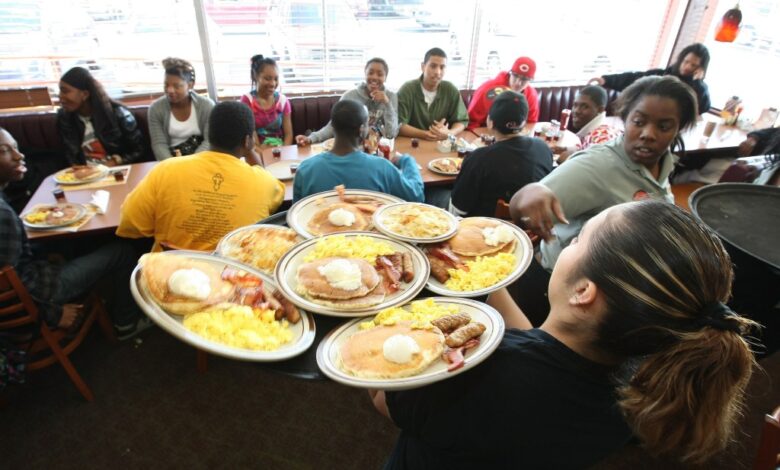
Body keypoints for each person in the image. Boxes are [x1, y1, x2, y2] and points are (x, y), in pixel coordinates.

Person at [372, 200, 757, 468]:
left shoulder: (486, 372)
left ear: (583, 292)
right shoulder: (641, 384)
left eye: (578, 240)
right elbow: (542, 345)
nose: (568, 242)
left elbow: (385, 401)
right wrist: (486, 280)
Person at [508, 75, 698, 324]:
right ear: (625, 118)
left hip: (613, 295)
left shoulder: (661, 164)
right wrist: (527, 195)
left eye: (664, 127)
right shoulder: (597, 166)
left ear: (678, 129)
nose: (648, 134)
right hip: (560, 292)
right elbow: (521, 212)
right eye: (639, 122)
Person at [0, 127, 148, 338]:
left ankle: (105, 295)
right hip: (44, 289)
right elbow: (8, 283)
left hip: (37, 270)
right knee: (122, 251)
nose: (19, 155)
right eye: (5, 151)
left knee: (74, 244)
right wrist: (53, 314)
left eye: (16, 147)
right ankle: (126, 322)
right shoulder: (2, 215)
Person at [117, 101, 284, 252]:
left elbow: (130, 223)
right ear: (248, 141)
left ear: (209, 134)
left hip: (168, 276)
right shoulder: (264, 182)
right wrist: (251, 151)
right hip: (234, 278)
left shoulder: (165, 169)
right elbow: (274, 196)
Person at [293, 100, 424, 202]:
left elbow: (297, 213)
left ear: (333, 126)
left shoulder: (305, 169)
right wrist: (407, 160)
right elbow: (416, 196)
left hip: (319, 235)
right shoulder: (382, 168)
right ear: (362, 129)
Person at [449, 91, 552, 217]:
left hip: (485, 232)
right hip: (529, 232)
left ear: (490, 122)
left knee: (435, 194)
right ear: (523, 123)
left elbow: (458, 210)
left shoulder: (479, 158)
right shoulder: (543, 148)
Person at [296, 58, 398, 145]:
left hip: (377, 150)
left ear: (385, 77)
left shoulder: (390, 97)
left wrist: (387, 104)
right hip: (352, 148)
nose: (374, 77)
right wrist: (311, 138)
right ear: (365, 74)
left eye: (380, 74)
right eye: (370, 73)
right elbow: (333, 126)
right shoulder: (350, 96)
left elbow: (391, 134)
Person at [57, 66, 146, 166]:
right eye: (60, 91)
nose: (60, 96)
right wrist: (77, 169)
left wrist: (115, 162)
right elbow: (69, 154)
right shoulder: (64, 118)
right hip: (83, 175)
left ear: (85, 94)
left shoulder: (119, 114)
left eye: (65, 91)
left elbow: (138, 150)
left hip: (115, 172)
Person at [591, 43, 711, 114]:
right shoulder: (663, 75)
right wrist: (606, 79)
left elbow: (703, 108)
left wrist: (698, 82)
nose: (688, 67)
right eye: (686, 61)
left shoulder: (698, 87)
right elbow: (635, 78)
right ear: (681, 60)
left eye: (693, 65)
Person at [148, 57, 215, 161]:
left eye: (176, 86)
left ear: (190, 85)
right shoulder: (156, 109)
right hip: (171, 161)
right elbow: (159, 145)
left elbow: (209, 141)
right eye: (166, 85)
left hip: (201, 159)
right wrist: (173, 165)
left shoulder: (206, 106)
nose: (170, 90)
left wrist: (191, 163)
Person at [397, 48, 469, 141]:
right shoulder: (408, 89)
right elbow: (399, 125)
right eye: (433, 66)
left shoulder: (450, 90)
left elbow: (461, 121)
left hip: (441, 145)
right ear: (423, 67)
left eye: (442, 67)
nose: (438, 72)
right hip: (413, 143)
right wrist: (426, 134)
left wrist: (450, 133)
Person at [552, 85, 622, 163]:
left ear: (600, 109)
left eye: (585, 107)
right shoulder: (597, 130)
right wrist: (566, 149)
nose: (576, 111)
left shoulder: (600, 137)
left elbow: (596, 171)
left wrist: (568, 160)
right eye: (575, 105)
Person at [466, 56, 540, 130]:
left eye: (524, 79)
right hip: (486, 133)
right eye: (515, 76)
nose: (518, 83)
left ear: (530, 80)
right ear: (510, 73)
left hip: (515, 136)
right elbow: (471, 122)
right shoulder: (488, 89)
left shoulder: (531, 95)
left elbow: (531, 123)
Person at [240, 54, 292, 147]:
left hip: (279, 150)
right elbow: (251, 137)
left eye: (276, 79)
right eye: (267, 78)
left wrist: (284, 152)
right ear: (255, 76)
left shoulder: (283, 101)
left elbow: (288, 135)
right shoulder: (247, 100)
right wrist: (262, 154)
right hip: (257, 151)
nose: (273, 83)